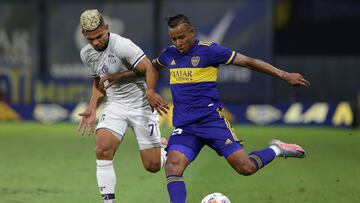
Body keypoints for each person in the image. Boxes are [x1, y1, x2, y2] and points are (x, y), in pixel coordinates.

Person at [151, 14, 311, 203]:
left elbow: (250, 62)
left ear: (192, 32)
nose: (178, 43)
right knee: (173, 167)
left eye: (182, 37)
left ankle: (276, 149)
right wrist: (147, 88)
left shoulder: (210, 51)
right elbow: (149, 67)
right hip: (186, 126)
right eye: (174, 39)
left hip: (211, 121)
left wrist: (283, 74)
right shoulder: (168, 54)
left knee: (246, 168)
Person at [77, 9, 169, 203]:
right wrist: (93, 106)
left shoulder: (122, 45)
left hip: (141, 106)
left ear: (107, 28)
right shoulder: (87, 54)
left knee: (152, 166)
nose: (95, 42)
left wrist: (150, 91)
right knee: (102, 149)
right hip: (115, 105)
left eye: (99, 36)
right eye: (90, 39)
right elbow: (99, 83)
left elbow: (150, 68)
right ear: (85, 36)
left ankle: (163, 147)